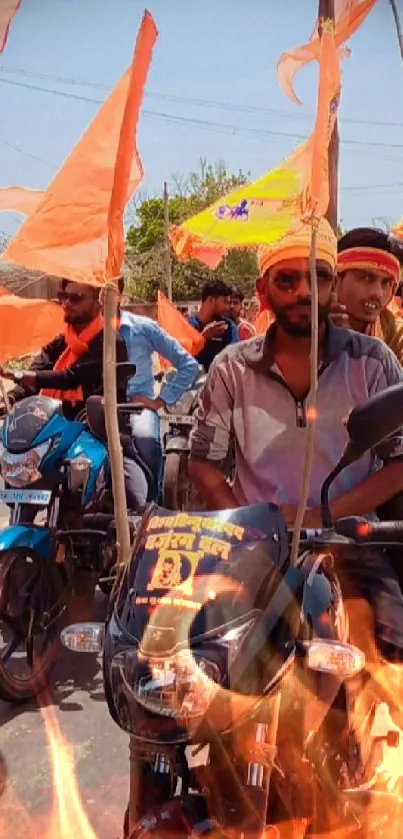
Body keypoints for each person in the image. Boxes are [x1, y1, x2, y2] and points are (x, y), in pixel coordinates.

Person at [188, 218, 403, 666]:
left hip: (349, 545)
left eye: (317, 277)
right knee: (188, 666)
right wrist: (254, 522)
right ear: (264, 290)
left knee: (392, 657)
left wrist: (322, 516)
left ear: (331, 285)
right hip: (256, 548)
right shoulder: (231, 368)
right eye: (288, 280)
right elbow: (204, 464)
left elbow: (399, 464)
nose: (304, 291)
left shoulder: (373, 361)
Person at [0, 280, 147, 513]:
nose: (66, 303)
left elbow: (70, 377)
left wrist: (17, 374)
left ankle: (136, 523)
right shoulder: (63, 341)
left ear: (99, 303)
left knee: (131, 485)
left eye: (76, 297)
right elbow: (39, 370)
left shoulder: (110, 342)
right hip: (57, 429)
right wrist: (10, 396)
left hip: (96, 428)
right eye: (63, 296)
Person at [118, 279, 199, 503]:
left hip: (135, 408)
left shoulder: (142, 328)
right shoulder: (82, 332)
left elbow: (188, 365)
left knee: (145, 441)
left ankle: (153, 505)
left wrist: (159, 401)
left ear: (118, 296)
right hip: (95, 407)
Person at [337, 227, 403, 364]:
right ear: (335, 280)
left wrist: (355, 345)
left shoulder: (395, 333)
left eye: (386, 282)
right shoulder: (309, 326)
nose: (378, 293)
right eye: (366, 278)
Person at [187, 278, 239, 372]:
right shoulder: (188, 326)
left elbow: (234, 357)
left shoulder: (228, 327)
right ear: (211, 299)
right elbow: (182, 357)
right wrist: (203, 338)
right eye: (224, 302)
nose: (228, 307)